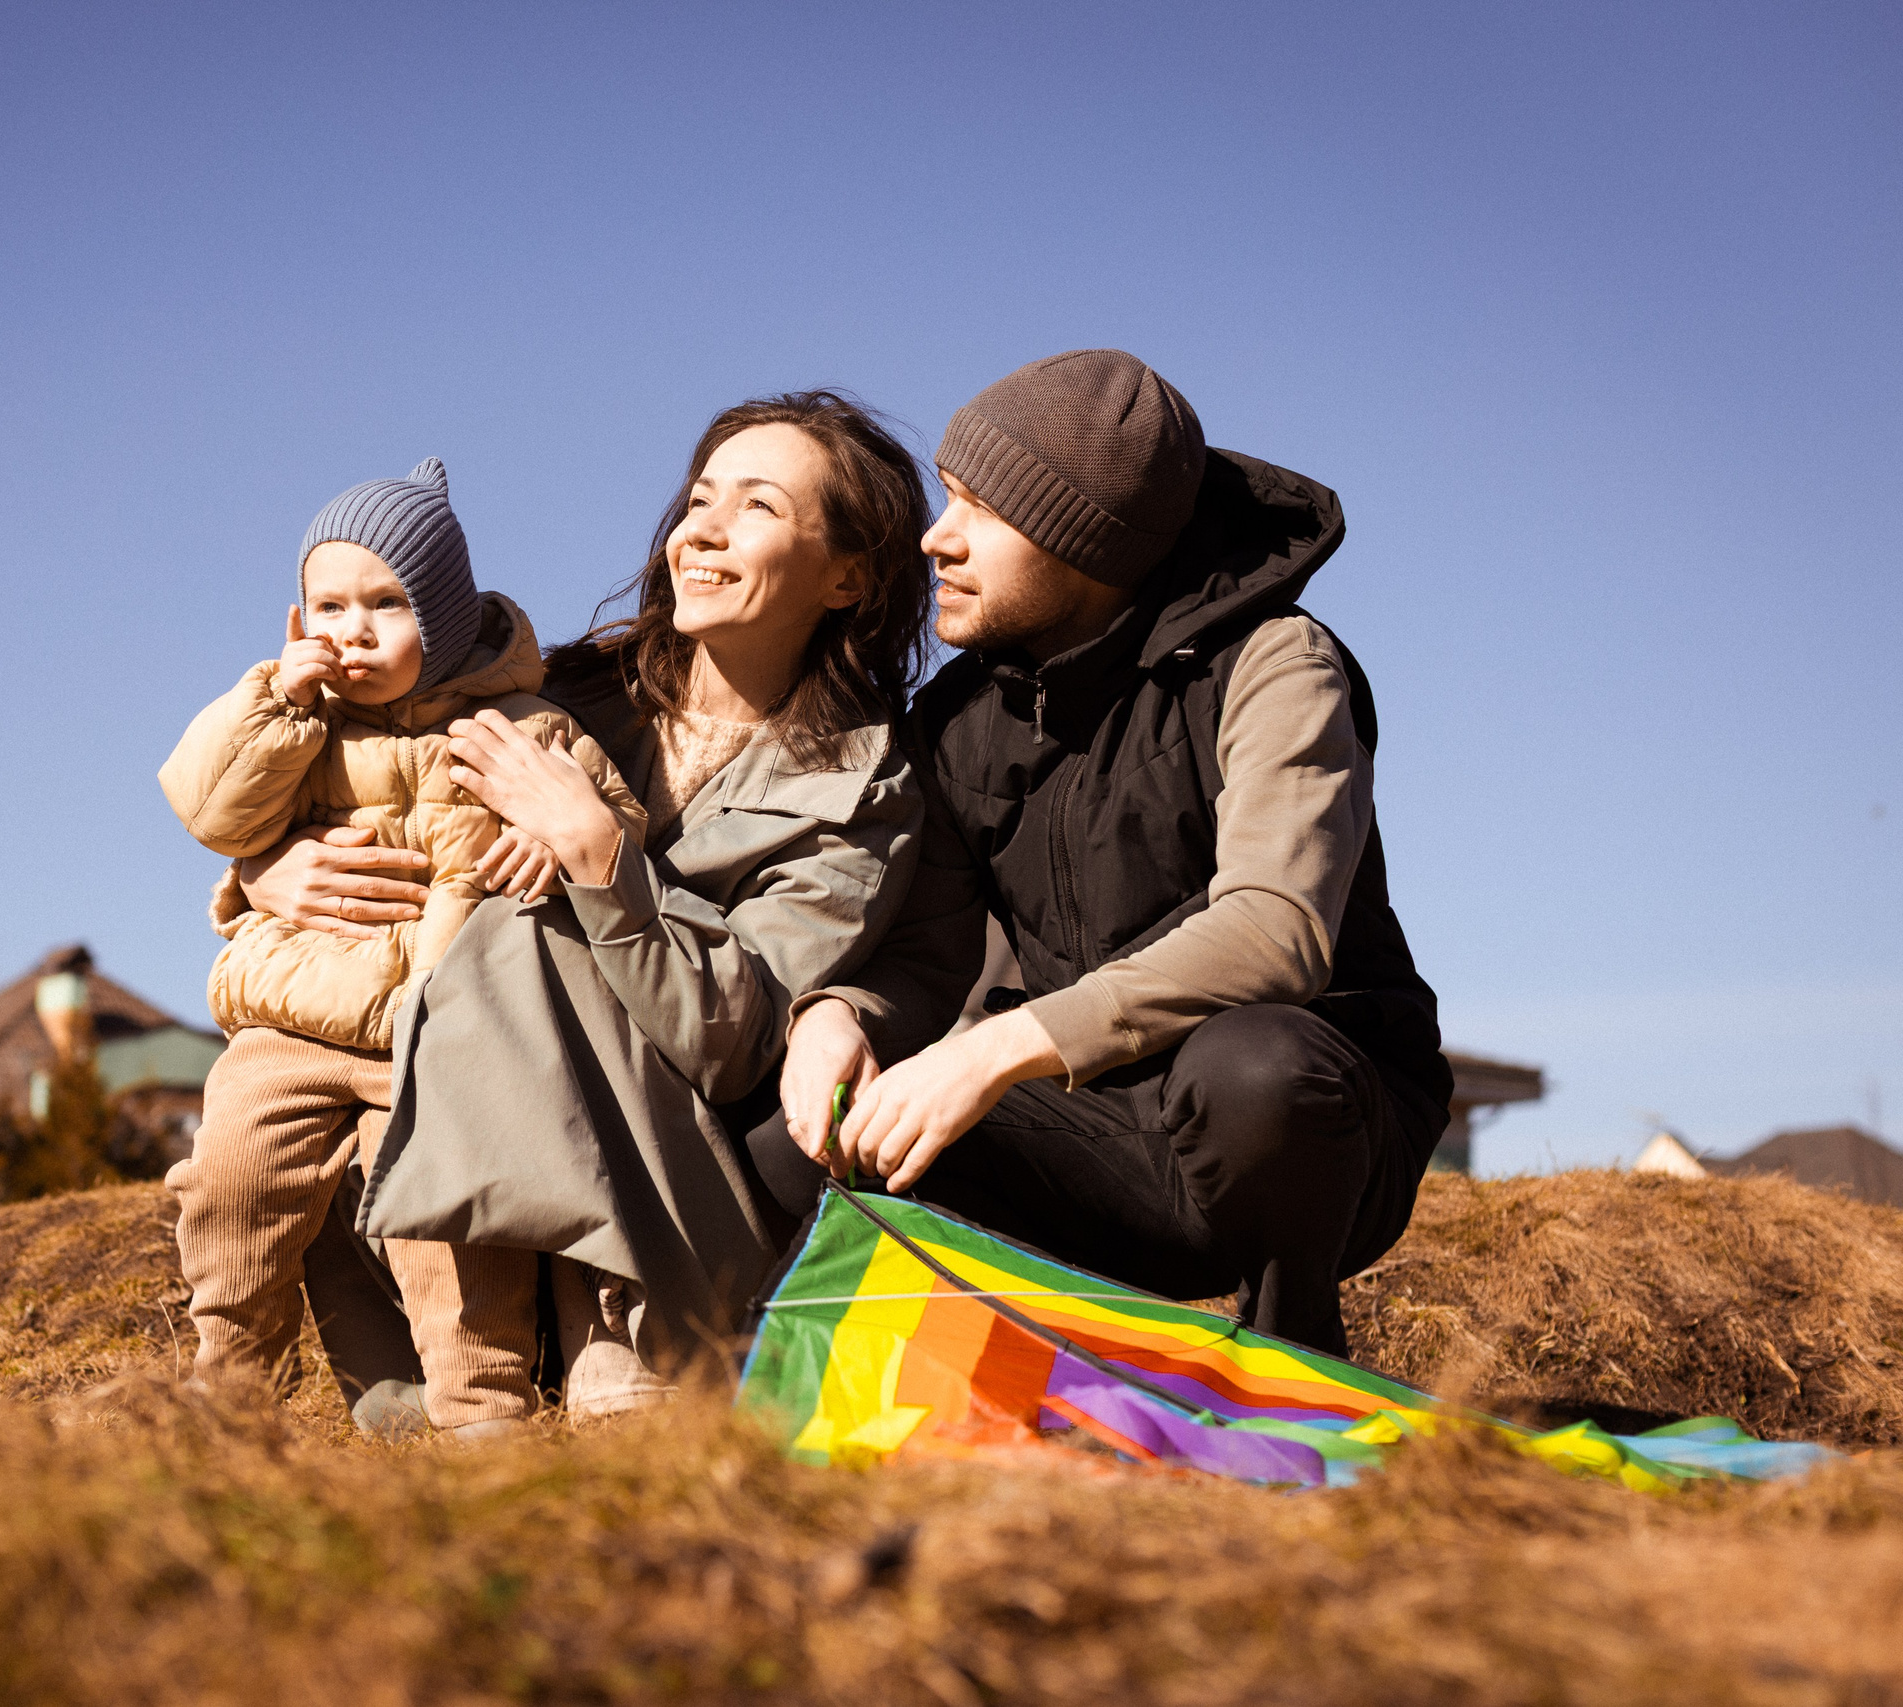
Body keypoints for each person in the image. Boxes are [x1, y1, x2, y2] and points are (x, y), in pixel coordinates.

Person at [230, 394, 935, 1434]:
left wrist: (600, 855)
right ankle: (427, 1371)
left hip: (659, 1196)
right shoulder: (552, 697)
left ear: (848, 576)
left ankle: (612, 1336)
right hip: (460, 1168)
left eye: (756, 507)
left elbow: (735, 1034)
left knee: (530, 925)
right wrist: (262, 870)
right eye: (699, 499)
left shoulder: (863, 790)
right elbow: (351, 783)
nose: (700, 528)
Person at [772, 350, 1453, 1358]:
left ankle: (1293, 1354)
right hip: (1099, 1134)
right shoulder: (957, 720)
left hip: (1302, 1131)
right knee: (816, 1142)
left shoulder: (1275, 663)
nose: (935, 538)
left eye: (980, 512)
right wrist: (836, 1017)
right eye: (947, 498)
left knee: (1253, 1068)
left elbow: (1276, 931)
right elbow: (926, 955)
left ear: (1085, 543)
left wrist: (996, 1048)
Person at [154, 456, 644, 1424]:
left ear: (450, 619)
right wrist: (275, 700)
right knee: (228, 1183)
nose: (353, 630)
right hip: (288, 1025)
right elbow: (209, 809)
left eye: (387, 603)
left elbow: (616, 826)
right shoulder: (302, 731)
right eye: (327, 606)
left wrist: (560, 842)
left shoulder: (522, 727)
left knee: (447, 1209)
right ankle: (229, 1394)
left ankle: (481, 1405)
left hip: (436, 1034)